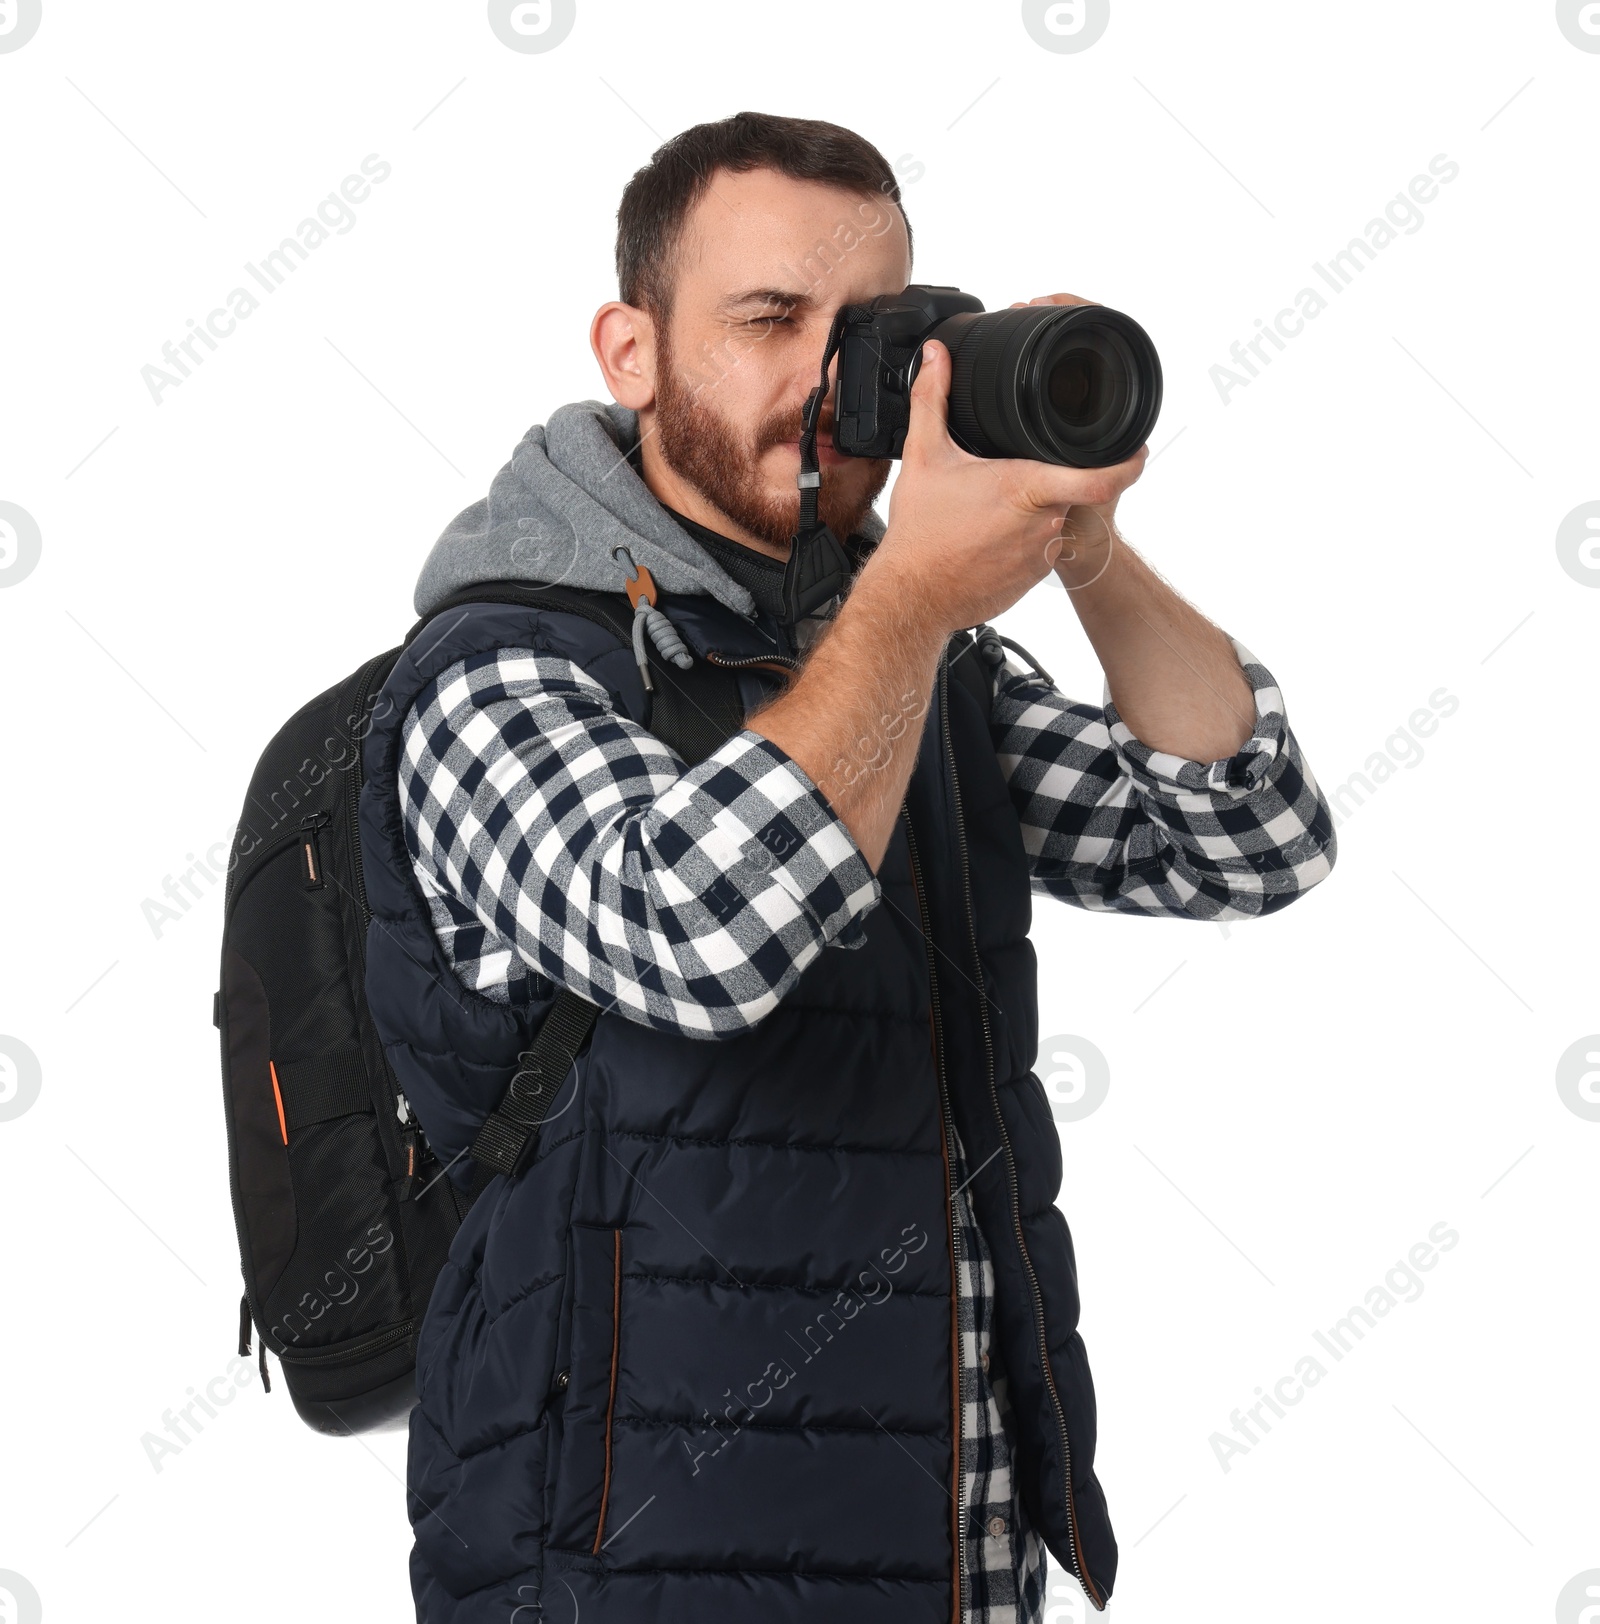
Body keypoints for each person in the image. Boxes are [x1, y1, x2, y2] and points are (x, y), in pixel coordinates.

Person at [358, 111, 1336, 1623]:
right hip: (628, 1571)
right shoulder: (500, 671)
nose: (828, 382)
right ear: (629, 351)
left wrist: (1074, 535)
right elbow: (694, 937)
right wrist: (915, 597)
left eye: (866, 331)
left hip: (954, 1551)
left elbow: (1243, 838)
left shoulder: (914, 661)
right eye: (768, 320)